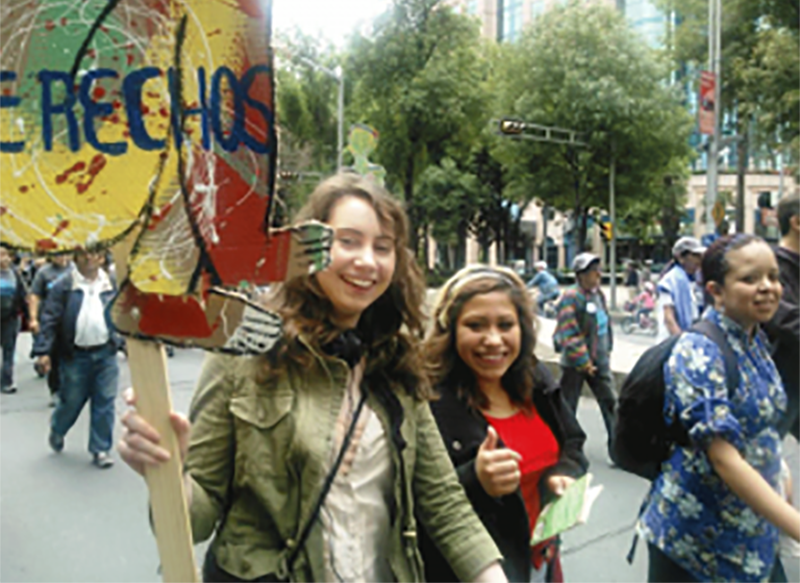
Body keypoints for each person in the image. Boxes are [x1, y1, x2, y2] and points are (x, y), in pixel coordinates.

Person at [118, 174, 508, 583]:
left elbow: (445, 505)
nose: (367, 261)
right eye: (348, 241)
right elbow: (194, 521)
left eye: (382, 247)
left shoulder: (397, 362)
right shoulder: (244, 352)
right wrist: (170, 472)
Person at [637, 234, 800, 583]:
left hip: (751, 533)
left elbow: (760, 426)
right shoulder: (700, 350)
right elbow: (724, 458)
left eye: (773, 277)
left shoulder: (756, 341)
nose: (767, 287)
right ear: (716, 290)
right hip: (693, 546)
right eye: (750, 278)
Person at [420, 265, 588, 583]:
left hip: (542, 563)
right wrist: (475, 479)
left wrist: (563, 473)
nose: (493, 340)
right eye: (475, 325)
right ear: (450, 330)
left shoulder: (536, 380)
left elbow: (573, 441)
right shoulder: (428, 402)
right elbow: (418, 507)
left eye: (505, 324)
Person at [33, 248, 119, 469]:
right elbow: (50, 318)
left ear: (102, 257)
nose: (89, 258)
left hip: (106, 353)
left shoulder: (112, 283)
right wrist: (43, 351)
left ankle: (100, 449)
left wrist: (125, 342)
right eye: (83, 254)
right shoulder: (64, 285)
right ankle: (58, 428)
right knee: (71, 401)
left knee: (105, 400)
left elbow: (124, 313)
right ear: (75, 257)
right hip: (76, 355)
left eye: (94, 253)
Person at [553, 252, 616, 463]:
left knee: (611, 403)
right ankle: (564, 448)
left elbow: (605, 325)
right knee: (567, 406)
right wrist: (583, 360)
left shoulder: (599, 296)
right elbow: (569, 331)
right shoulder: (571, 297)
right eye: (593, 271)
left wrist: (607, 351)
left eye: (598, 270)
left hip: (600, 361)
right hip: (575, 363)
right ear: (581, 275)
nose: (598, 274)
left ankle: (618, 450)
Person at [765, 191, 800, 441]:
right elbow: (785, 319)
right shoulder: (772, 267)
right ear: (796, 222)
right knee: (761, 453)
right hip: (780, 382)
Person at [28, 253, 73, 400]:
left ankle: (71, 388)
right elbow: (35, 296)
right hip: (51, 321)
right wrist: (34, 318)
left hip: (70, 321)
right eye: (57, 254)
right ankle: (55, 389)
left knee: (72, 357)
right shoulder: (44, 273)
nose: (61, 257)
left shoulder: (74, 270)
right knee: (54, 356)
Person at [655, 237, 705, 342]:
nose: (699, 260)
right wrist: (682, 342)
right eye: (695, 255)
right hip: (672, 342)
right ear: (681, 258)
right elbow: (669, 318)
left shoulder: (691, 281)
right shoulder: (671, 281)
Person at [0, 245, 28, 394]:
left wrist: (29, 318)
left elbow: (23, 295)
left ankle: (7, 381)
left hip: (10, 318)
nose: (3, 258)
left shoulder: (15, 274)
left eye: (5, 254)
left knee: (9, 350)